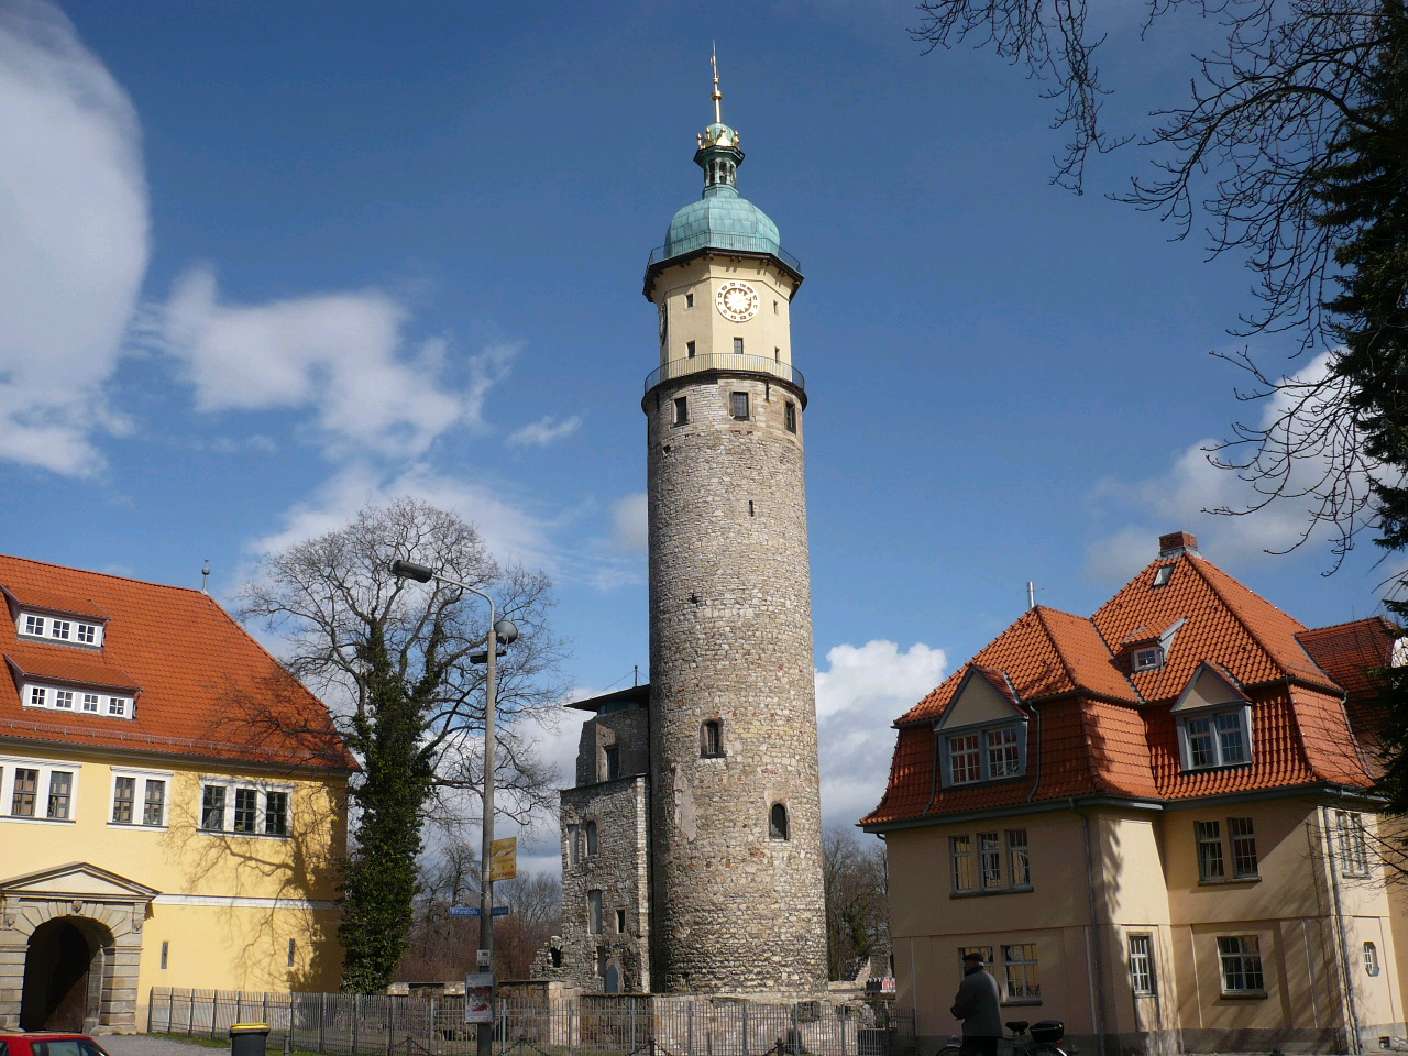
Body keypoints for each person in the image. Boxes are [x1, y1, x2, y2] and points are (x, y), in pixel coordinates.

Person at [950, 950, 1003, 1056]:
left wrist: (955, 1011)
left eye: (966, 964)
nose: (965, 967)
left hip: (976, 1031)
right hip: (993, 1031)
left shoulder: (969, 981)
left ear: (972, 964)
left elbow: (962, 1004)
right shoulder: (993, 980)